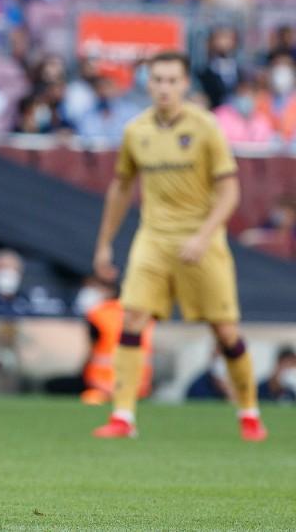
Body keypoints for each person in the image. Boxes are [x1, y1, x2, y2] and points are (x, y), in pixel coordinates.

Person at [91, 51, 267, 441]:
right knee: (132, 319)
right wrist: (104, 244)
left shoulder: (206, 127)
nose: (164, 87)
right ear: (148, 84)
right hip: (153, 237)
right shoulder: (136, 130)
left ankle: (249, 413)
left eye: (172, 80)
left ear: (185, 84)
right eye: (158, 80)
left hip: (201, 239)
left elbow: (230, 192)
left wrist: (203, 235)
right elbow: (121, 187)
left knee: (224, 330)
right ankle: (123, 416)